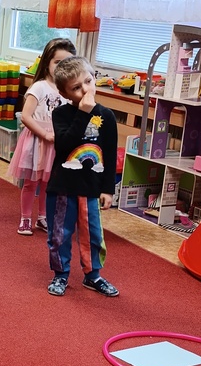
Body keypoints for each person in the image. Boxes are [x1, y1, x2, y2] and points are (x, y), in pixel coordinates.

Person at [46, 55, 120, 298]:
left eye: (88, 81)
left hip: (91, 188)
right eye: (76, 88)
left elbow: (109, 155)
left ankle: (93, 275)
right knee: (60, 234)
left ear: (94, 77)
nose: (85, 90)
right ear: (65, 93)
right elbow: (64, 145)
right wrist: (83, 112)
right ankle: (61, 274)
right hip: (63, 187)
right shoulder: (61, 114)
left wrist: (108, 189)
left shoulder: (107, 116)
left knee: (93, 235)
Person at [8, 37, 76, 235]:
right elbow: (26, 117)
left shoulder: (68, 90)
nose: (62, 67)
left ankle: (42, 217)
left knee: (48, 183)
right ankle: (25, 218)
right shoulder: (39, 87)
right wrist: (44, 134)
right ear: (47, 63)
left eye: (67, 63)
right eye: (57, 62)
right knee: (31, 182)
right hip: (36, 141)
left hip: (56, 143)